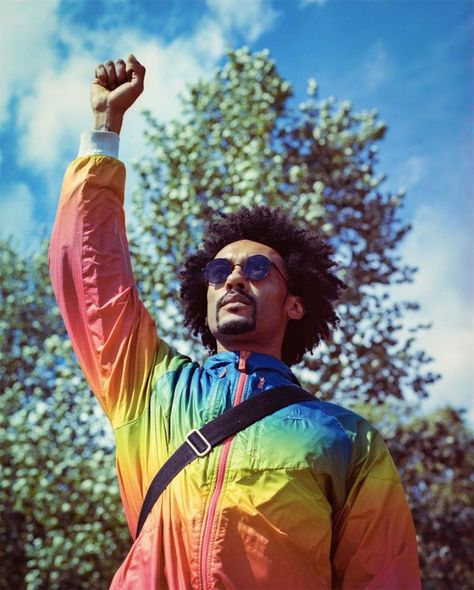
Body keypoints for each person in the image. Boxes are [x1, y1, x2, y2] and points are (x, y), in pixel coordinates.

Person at [49, 55, 421, 590]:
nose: (234, 279)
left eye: (258, 269)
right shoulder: (150, 391)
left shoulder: (349, 439)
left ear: (295, 303)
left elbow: (383, 578)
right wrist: (105, 130)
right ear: (204, 296)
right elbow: (89, 278)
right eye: (220, 270)